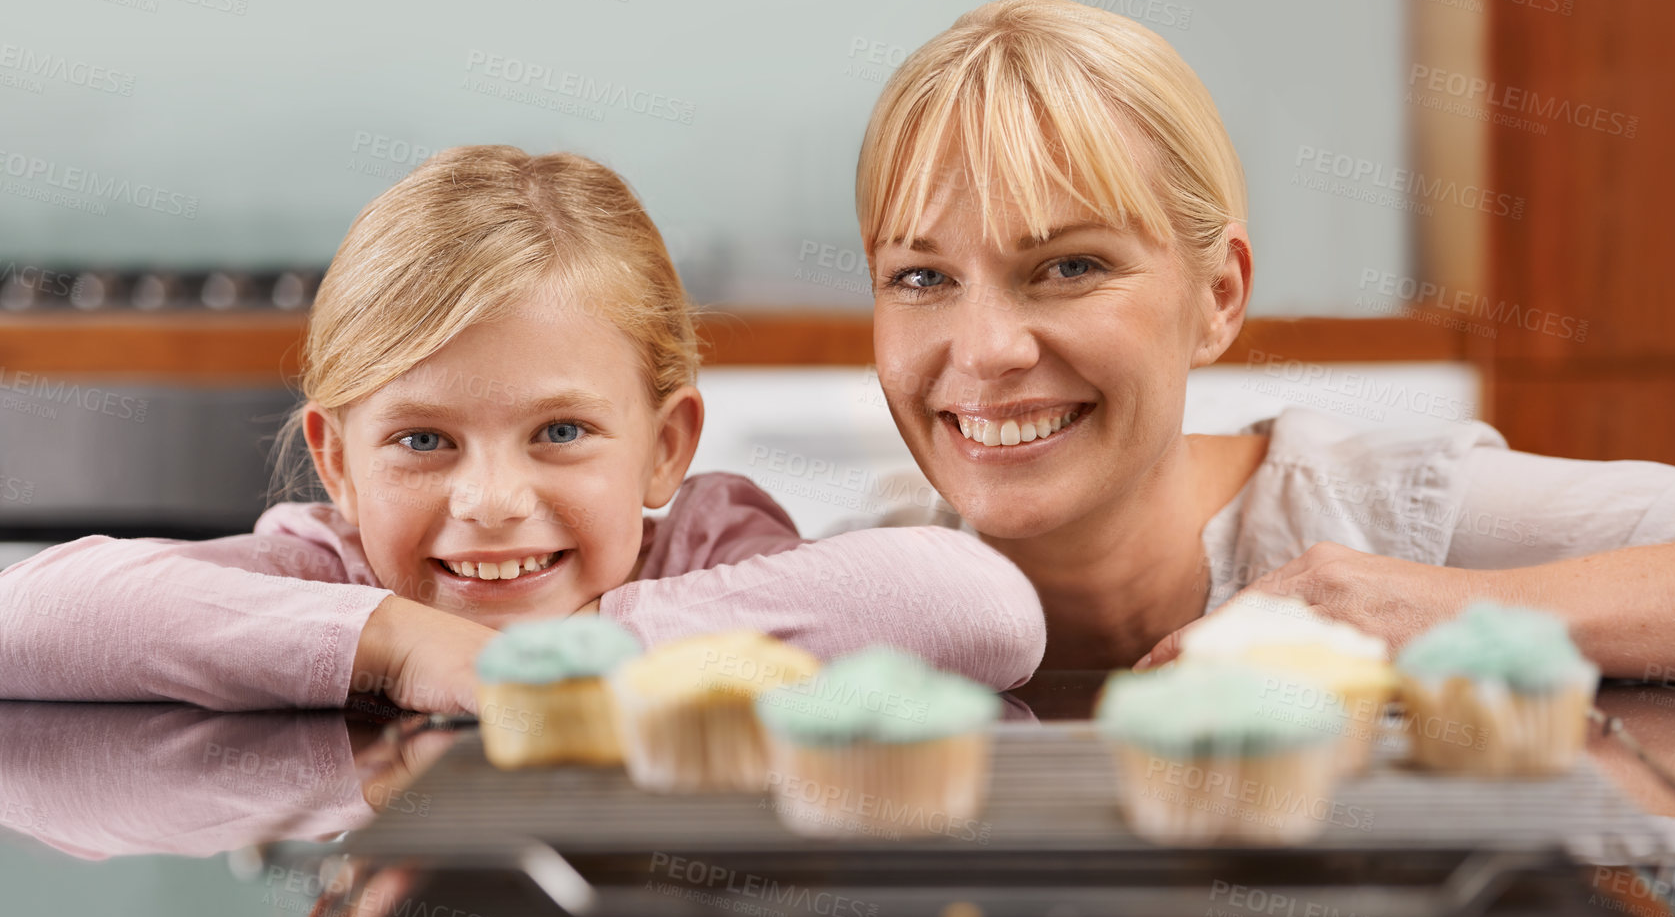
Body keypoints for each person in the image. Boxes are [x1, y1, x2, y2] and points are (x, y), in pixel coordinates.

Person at [0, 147, 1044, 712]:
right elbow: (26, 620)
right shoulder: (336, 572)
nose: (491, 502)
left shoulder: (709, 552)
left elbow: (980, 606)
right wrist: (399, 645)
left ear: (667, 445)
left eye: (558, 433)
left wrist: (553, 660)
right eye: (421, 441)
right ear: (335, 463)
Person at [855, 0, 1675, 673]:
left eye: (1071, 267)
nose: (986, 349)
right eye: (921, 277)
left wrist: (1456, 611)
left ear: (1219, 296)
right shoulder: (857, 587)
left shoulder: (1385, 516)